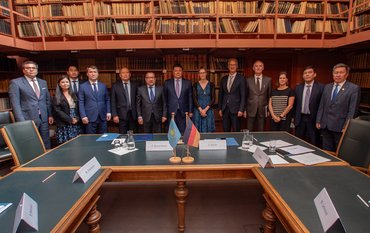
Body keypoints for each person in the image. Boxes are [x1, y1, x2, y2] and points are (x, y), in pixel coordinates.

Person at [8, 60, 54, 149]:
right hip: (27, 118)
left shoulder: (43, 82)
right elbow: (15, 104)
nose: (31, 70)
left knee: (46, 141)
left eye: (33, 68)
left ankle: (47, 159)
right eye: (28, 68)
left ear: (37, 70)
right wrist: (21, 121)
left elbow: (47, 100)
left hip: (44, 117)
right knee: (30, 143)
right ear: (23, 70)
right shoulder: (16, 83)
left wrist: (50, 115)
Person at [316, 63, 360, 152]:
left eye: (341, 72)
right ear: (333, 74)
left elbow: (352, 110)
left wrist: (346, 126)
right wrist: (318, 120)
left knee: (340, 151)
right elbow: (322, 105)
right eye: (336, 73)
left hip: (340, 127)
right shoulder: (327, 87)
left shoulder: (353, 88)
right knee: (326, 151)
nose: (338, 75)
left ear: (347, 74)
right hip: (325, 125)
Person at [294, 66, 324, 146]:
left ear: (314, 75)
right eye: (305, 73)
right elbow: (295, 104)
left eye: (309, 72)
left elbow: (322, 105)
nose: (307, 74)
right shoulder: (298, 87)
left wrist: (319, 120)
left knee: (314, 142)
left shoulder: (321, 87)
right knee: (297, 142)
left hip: (313, 119)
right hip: (300, 118)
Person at [79, 65, 111, 134]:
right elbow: (81, 102)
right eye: (90, 72)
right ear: (87, 74)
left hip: (103, 116)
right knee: (91, 139)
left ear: (98, 74)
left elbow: (107, 99)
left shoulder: (103, 85)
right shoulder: (82, 87)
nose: (93, 74)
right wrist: (83, 116)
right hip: (89, 117)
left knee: (104, 137)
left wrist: (108, 112)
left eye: (95, 72)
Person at [163, 64, 193, 134]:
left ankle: (182, 145)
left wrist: (190, 111)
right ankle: (173, 145)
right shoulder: (167, 83)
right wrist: (165, 113)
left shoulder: (188, 83)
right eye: (176, 71)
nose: (178, 72)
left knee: (183, 132)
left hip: (184, 111)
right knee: (172, 133)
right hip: (171, 111)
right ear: (173, 72)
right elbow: (164, 99)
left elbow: (190, 97)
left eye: (179, 70)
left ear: (182, 72)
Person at [218, 58, 245, 132]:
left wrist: (241, 109)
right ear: (228, 66)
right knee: (226, 131)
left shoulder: (241, 78)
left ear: (237, 66)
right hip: (225, 109)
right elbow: (221, 95)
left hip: (236, 110)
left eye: (234, 65)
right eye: (230, 65)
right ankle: (227, 143)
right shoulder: (223, 79)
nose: (232, 66)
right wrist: (220, 108)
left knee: (236, 131)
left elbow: (243, 95)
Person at [52, 75, 81, 144]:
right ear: (59, 84)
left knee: (77, 143)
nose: (65, 84)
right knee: (67, 144)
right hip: (64, 122)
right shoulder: (56, 96)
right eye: (63, 82)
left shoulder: (74, 94)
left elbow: (78, 108)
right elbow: (57, 111)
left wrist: (77, 118)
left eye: (67, 82)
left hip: (75, 122)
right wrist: (70, 120)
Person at [245, 60, 271, 131]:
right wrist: (244, 110)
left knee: (261, 130)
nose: (258, 68)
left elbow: (269, 96)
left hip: (262, 109)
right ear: (253, 68)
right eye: (256, 66)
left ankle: (260, 142)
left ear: (263, 68)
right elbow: (245, 96)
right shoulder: (248, 80)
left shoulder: (268, 80)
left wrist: (269, 110)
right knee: (249, 130)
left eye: (260, 66)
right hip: (250, 109)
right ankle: (249, 142)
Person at [111, 67, 138, 134]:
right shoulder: (115, 86)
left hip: (133, 115)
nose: (125, 74)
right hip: (121, 115)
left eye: (127, 72)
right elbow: (113, 101)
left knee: (133, 134)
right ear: (120, 75)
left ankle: (132, 144)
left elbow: (138, 101)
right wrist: (114, 115)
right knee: (122, 135)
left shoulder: (135, 85)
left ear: (130, 74)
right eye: (123, 73)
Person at [192, 68, 215, 132]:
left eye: (203, 72)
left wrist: (205, 110)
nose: (202, 74)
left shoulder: (211, 85)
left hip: (208, 110)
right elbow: (194, 98)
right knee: (197, 129)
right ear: (199, 74)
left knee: (209, 128)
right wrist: (201, 110)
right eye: (201, 73)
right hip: (198, 110)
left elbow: (213, 99)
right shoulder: (195, 85)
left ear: (206, 74)